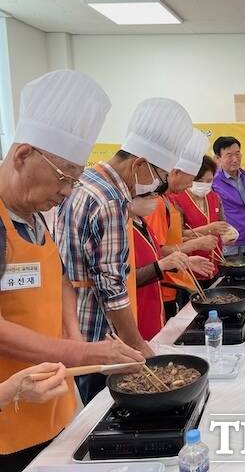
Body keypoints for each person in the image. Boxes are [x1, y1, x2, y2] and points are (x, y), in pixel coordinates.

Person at [0, 70, 143, 471]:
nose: (65, 193)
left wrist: (73, 334)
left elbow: (58, 276)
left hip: (52, 403)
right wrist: (80, 350)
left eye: (74, 181)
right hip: (9, 419)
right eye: (64, 178)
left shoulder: (32, 210)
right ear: (23, 154)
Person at [56, 97, 193, 405]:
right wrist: (138, 347)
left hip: (72, 328)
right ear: (140, 165)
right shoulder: (111, 199)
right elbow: (111, 286)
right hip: (97, 337)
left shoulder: (87, 180)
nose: (155, 187)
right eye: (158, 178)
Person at [145, 129, 219, 317]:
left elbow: (174, 235)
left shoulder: (168, 199)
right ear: (176, 172)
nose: (190, 186)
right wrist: (195, 244)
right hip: (162, 287)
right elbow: (157, 250)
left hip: (176, 280)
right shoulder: (157, 203)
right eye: (192, 179)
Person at [129, 196, 194, 340]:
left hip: (154, 303)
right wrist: (162, 265)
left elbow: (154, 256)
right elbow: (125, 279)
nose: (154, 200)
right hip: (136, 309)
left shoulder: (142, 223)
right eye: (149, 196)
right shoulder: (124, 229)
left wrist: (187, 261)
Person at [171, 155, 230, 288]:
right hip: (189, 268)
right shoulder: (177, 200)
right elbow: (177, 235)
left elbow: (223, 225)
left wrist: (228, 235)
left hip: (215, 265)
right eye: (200, 180)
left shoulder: (215, 197)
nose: (204, 185)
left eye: (209, 181)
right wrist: (207, 229)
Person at [213, 136, 245, 256]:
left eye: (237, 154)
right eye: (229, 155)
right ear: (218, 158)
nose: (235, 159)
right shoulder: (213, 183)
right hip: (228, 249)